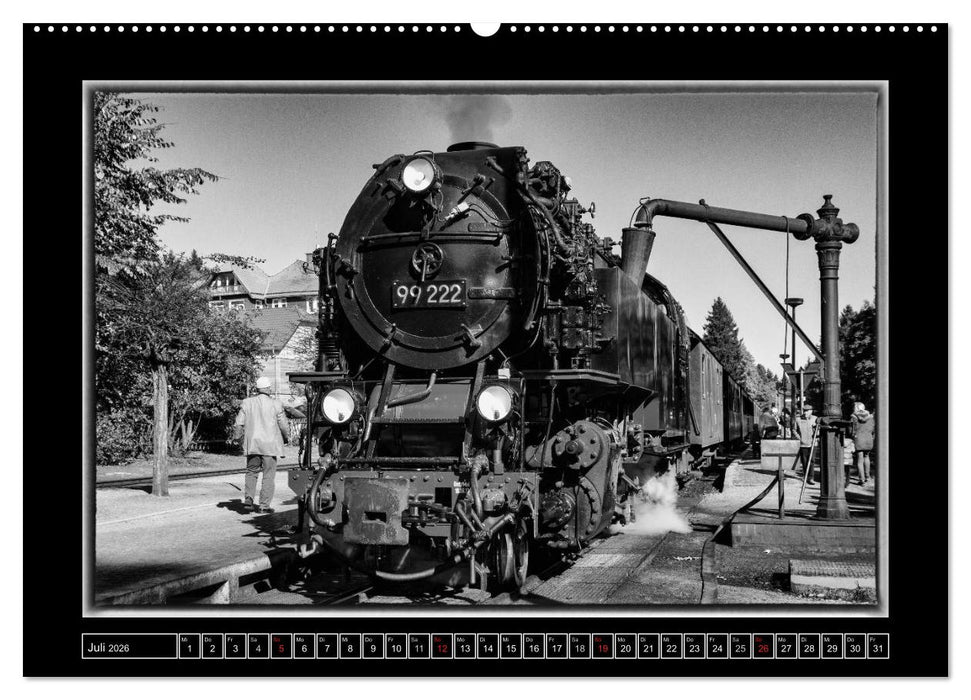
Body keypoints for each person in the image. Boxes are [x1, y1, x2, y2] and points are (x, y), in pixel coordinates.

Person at [233, 377, 291, 513]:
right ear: (268, 389)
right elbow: (283, 425)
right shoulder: (276, 404)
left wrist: (237, 438)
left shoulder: (247, 403)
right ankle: (264, 506)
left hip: (253, 444)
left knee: (251, 472)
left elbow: (239, 423)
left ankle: (248, 499)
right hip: (270, 446)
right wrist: (286, 438)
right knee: (268, 475)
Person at [850, 401, 875, 486]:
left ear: (856, 408)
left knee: (859, 460)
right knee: (866, 457)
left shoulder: (854, 417)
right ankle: (867, 477)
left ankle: (862, 479)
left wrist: (852, 436)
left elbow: (851, 430)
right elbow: (873, 428)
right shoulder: (870, 417)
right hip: (868, 439)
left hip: (859, 439)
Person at [794, 405, 818, 484]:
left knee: (812, 460)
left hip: (813, 443)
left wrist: (817, 433)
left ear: (811, 411)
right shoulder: (798, 419)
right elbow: (794, 430)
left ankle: (811, 478)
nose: (805, 412)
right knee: (804, 461)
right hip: (803, 444)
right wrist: (799, 438)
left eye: (807, 411)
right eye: (804, 410)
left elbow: (819, 429)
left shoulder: (815, 419)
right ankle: (805, 476)